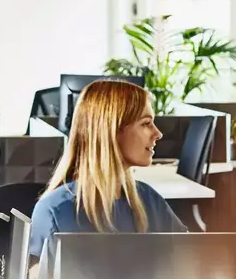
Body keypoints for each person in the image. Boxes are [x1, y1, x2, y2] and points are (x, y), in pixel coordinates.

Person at [29, 79, 185, 263]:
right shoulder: (54, 211)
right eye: (146, 123)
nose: (158, 133)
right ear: (112, 130)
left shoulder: (149, 200)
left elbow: (191, 260)